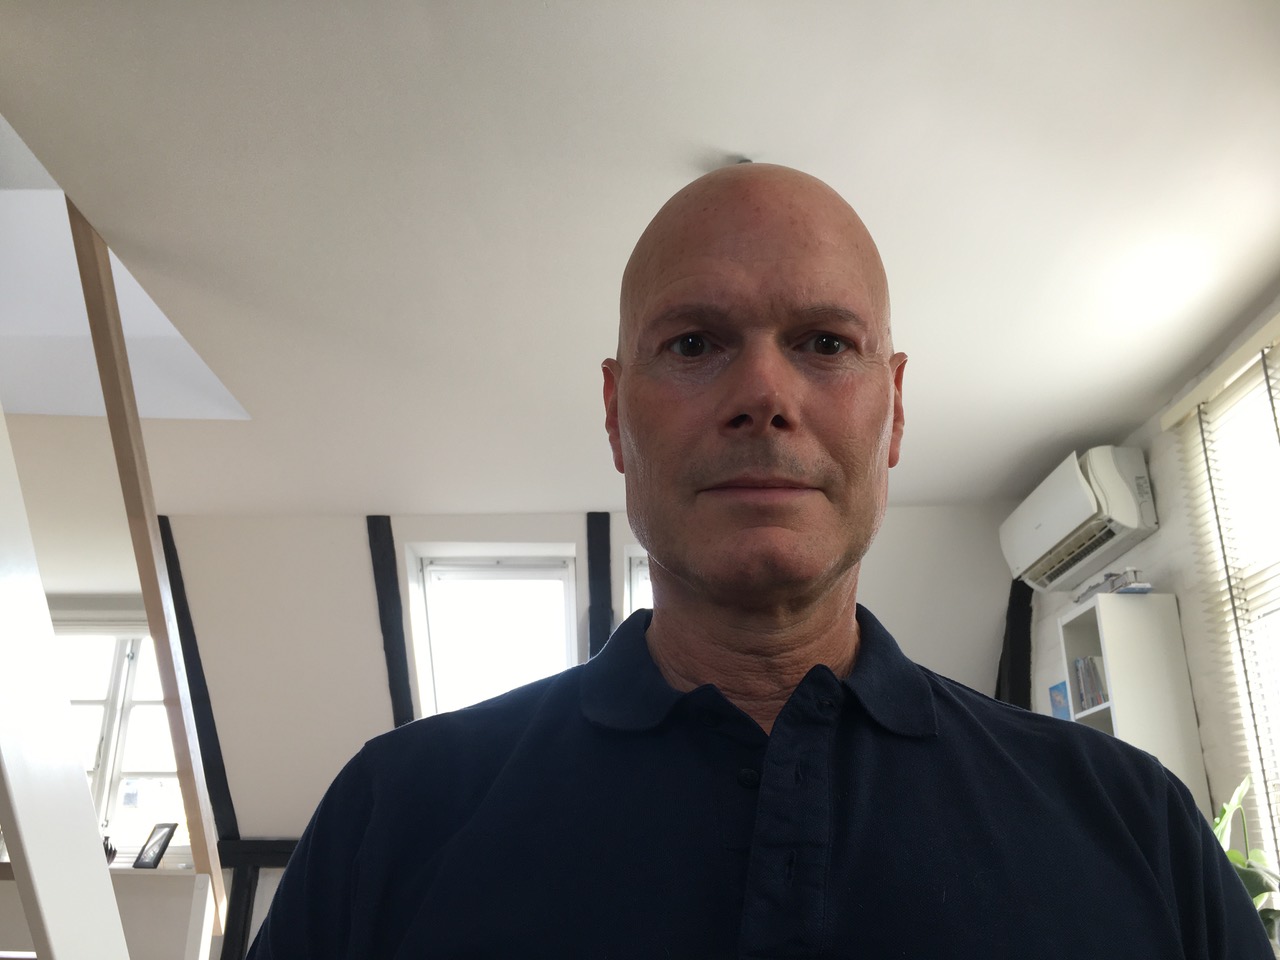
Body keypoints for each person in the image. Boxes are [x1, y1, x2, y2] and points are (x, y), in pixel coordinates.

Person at [247, 164, 1271, 958]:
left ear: (894, 409)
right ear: (614, 413)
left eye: (823, 343)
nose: (763, 396)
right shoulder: (393, 816)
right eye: (694, 344)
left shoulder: (1132, 822)